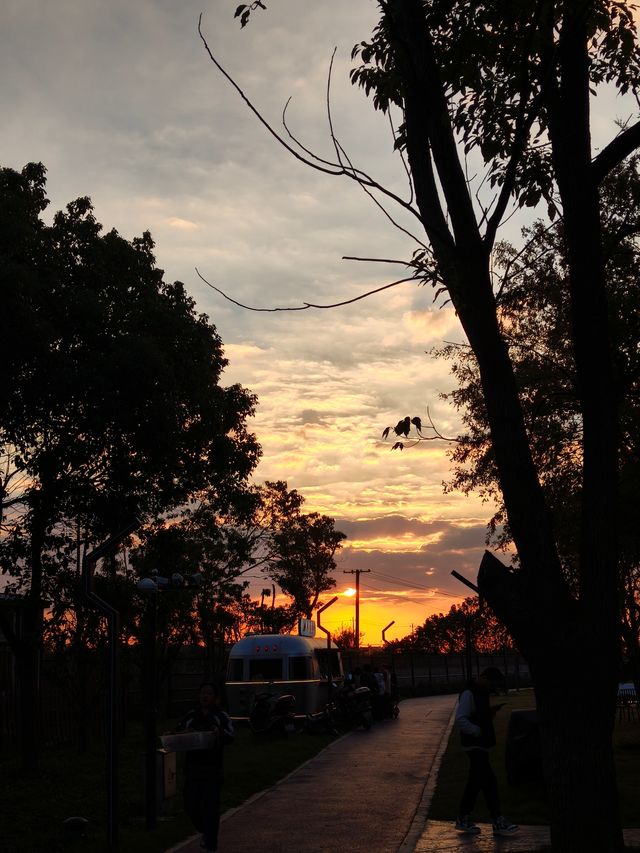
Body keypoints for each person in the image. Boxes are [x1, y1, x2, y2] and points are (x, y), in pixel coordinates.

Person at [454, 667, 518, 837]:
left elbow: (477, 715)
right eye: (491, 683)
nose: (492, 687)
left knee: (475, 783)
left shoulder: (480, 692)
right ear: (483, 678)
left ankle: (463, 818)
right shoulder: (469, 694)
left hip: (479, 744)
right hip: (474, 745)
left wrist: (489, 714)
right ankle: (497, 819)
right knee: (489, 782)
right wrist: (477, 731)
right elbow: (461, 718)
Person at [176, 682, 234, 853]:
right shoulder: (191, 716)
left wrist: (219, 733)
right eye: (202, 693)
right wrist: (184, 734)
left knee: (211, 809)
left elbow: (230, 736)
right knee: (190, 805)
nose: (205, 696)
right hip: (192, 770)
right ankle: (204, 831)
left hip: (212, 771)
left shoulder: (221, 716)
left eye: (209, 693)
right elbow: (178, 732)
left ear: (216, 698)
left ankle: (211, 844)